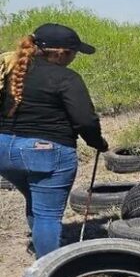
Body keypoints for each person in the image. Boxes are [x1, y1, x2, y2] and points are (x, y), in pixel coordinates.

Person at [0, 23, 108, 259]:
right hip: (45, 152)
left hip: (4, 151)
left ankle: (41, 250)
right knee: (48, 214)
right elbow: (85, 120)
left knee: (35, 200)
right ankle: (48, 273)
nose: (74, 57)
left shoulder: (11, 70)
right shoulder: (66, 78)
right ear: (60, 53)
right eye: (73, 52)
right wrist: (97, 142)